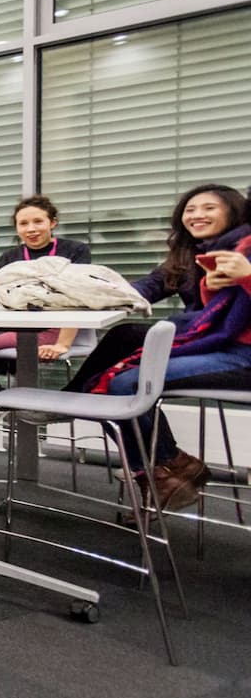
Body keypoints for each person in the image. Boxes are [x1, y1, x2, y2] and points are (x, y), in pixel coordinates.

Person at [60, 184, 250, 510]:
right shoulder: (190, 256)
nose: (197, 215)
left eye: (208, 208)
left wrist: (247, 274)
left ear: (233, 212)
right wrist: (90, 294)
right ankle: (170, 467)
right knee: (124, 344)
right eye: (190, 210)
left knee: (117, 384)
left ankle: (161, 468)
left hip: (239, 354)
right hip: (206, 343)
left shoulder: (243, 250)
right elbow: (144, 289)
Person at [0, 195, 93, 398]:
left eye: (38, 221)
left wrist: (62, 344)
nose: (31, 229)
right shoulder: (9, 257)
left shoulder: (74, 250)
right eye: (23, 224)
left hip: (56, 330)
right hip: (17, 329)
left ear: (53, 222)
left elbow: (78, 296)